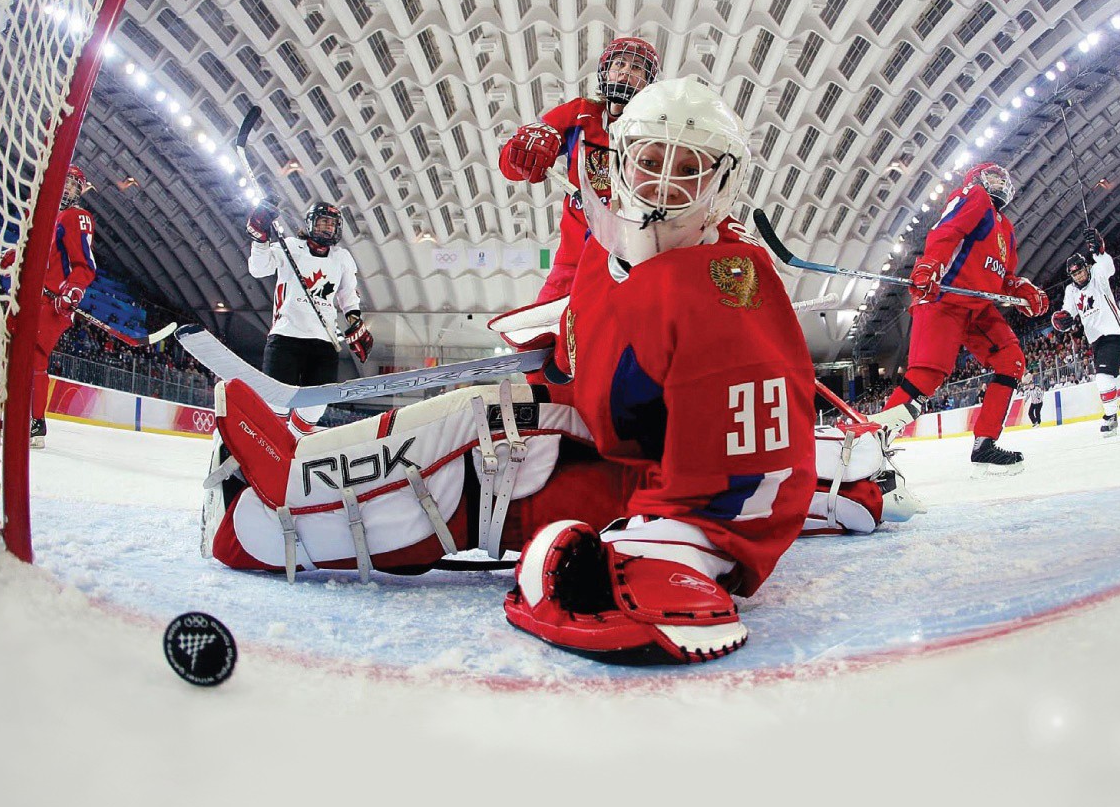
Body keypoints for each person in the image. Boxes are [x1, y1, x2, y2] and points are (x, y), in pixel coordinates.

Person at [201, 77, 915, 666]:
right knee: (498, 408)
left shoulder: (727, 279)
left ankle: (275, 518)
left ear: (723, 183)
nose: (663, 184)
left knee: (494, 451)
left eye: (688, 167)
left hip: (647, 487)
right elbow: (606, 365)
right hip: (624, 449)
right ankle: (304, 471)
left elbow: (749, 468)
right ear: (622, 161)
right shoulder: (618, 257)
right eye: (649, 161)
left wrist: (672, 553)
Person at [874, 161, 1048, 473]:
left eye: (1001, 176)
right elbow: (947, 230)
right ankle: (872, 445)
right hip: (945, 297)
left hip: (977, 307)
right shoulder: (974, 196)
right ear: (978, 178)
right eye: (992, 175)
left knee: (1011, 360)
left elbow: (1002, 277)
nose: (998, 181)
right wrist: (930, 264)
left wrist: (1021, 289)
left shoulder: (1006, 229)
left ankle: (985, 444)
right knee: (927, 377)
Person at [491, 36, 660, 349]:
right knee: (540, 341)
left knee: (627, 345)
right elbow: (510, 168)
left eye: (636, 67)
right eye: (619, 64)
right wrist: (524, 150)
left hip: (635, 262)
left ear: (649, 80)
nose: (625, 73)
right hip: (573, 261)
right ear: (605, 72)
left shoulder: (660, 126)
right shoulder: (581, 113)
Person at [244, 199, 372, 435]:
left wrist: (356, 323)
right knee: (276, 403)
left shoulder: (341, 258)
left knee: (315, 406)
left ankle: (295, 442)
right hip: (286, 338)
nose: (327, 228)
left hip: (324, 342)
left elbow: (348, 296)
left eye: (332, 224)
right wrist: (260, 238)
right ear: (311, 223)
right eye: (322, 222)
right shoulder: (290, 246)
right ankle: (271, 444)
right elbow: (259, 269)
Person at [29, 165, 98, 448]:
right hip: (33, 298)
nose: (68, 187)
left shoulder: (77, 216)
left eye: (74, 183)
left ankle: (36, 422)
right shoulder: (48, 216)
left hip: (51, 303)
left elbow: (85, 264)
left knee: (33, 359)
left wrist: (72, 290)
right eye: (65, 181)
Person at [1053, 228, 1120, 436]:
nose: (1080, 275)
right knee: (1113, 375)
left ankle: (1110, 417)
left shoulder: (1097, 275)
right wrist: (1060, 320)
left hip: (1113, 331)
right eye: (1075, 274)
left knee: (1103, 377)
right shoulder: (1071, 290)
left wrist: (1099, 251)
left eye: (1081, 270)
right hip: (1096, 339)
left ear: (1086, 267)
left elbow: (1107, 266)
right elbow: (1067, 311)